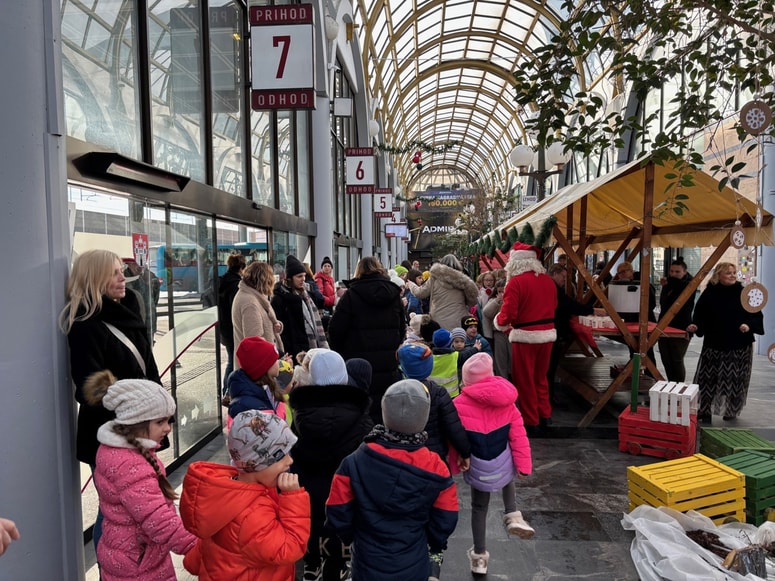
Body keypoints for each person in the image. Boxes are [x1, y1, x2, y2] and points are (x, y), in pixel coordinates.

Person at [59, 249, 161, 550]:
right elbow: (90, 389)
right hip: (110, 435)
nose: (123, 277)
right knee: (116, 511)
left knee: (138, 504)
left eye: (121, 270)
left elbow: (147, 364)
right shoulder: (85, 324)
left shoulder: (128, 310)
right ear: (96, 278)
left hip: (140, 428)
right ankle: (113, 567)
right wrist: (143, 401)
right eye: (115, 272)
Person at [325, 380, 459, 581]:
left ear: (385, 413)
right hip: (413, 561)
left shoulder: (353, 462)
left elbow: (337, 511)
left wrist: (351, 536)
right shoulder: (436, 467)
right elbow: (446, 517)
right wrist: (433, 541)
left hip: (366, 561)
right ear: (423, 417)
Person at [83, 370, 197, 579]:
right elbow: (158, 519)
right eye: (160, 422)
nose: (168, 428)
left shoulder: (120, 451)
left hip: (129, 553)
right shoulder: (130, 465)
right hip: (138, 562)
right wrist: (195, 547)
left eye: (169, 421)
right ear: (136, 422)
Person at [180, 410, 311, 580]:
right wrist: (293, 499)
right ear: (255, 464)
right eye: (280, 455)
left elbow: (215, 542)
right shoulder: (252, 515)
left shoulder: (229, 493)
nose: (289, 461)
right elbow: (288, 549)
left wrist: (196, 561)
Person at [288, 350, 373, 581]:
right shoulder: (361, 417)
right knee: (340, 538)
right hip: (345, 495)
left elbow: (293, 457)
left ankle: (312, 565)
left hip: (310, 498)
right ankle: (340, 567)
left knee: (314, 535)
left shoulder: (299, 416)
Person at [451, 353, 534, 575]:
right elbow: (518, 435)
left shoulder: (458, 404)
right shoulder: (507, 402)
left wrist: (451, 467)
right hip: (502, 462)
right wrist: (524, 465)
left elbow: (454, 438)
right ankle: (513, 514)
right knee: (508, 473)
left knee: (479, 508)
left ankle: (479, 558)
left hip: (478, 465)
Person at [328, 256, 405, 424]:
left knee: (361, 409)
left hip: (357, 361)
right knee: (384, 405)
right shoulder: (394, 294)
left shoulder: (351, 296)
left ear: (359, 271)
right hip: (387, 362)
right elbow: (401, 327)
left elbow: (335, 329)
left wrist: (341, 353)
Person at [687, 262, 764, 423]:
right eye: (728, 273)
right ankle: (704, 409)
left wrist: (748, 325)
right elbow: (700, 314)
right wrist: (696, 325)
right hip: (714, 341)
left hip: (738, 343)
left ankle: (731, 410)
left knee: (735, 379)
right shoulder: (710, 292)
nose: (733, 275)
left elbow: (756, 314)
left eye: (734, 272)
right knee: (707, 378)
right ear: (718, 275)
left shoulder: (743, 292)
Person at [494, 242, 558, 433]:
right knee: (541, 378)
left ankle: (531, 421)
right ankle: (545, 415)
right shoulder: (548, 281)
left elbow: (508, 314)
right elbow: (554, 306)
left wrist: (500, 323)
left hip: (525, 336)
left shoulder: (515, 282)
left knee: (525, 380)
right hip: (547, 335)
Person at [547, 263, 593, 396]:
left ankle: (549, 397)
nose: (564, 280)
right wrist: (590, 310)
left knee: (551, 366)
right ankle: (549, 398)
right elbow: (568, 305)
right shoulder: (553, 288)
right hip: (553, 331)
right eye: (562, 276)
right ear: (554, 274)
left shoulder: (554, 287)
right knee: (550, 367)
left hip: (552, 331)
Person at [272, 254, 328, 361]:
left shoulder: (308, 295)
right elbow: (280, 330)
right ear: (289, 278)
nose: (303, 279)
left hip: (311, 348)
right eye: (299, 276)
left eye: (304, 276)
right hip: (293, 352)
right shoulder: (279, 299)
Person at [231, 261, 284, 369]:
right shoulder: (250, 303)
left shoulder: (253, 296)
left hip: (259, 366)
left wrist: (276, 325)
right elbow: (254, 343)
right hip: (258, 369)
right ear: (265, 280)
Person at [405, 254, 479, 331]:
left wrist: (411, 285)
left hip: (438, 319)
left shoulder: (434, 278)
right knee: (458, 340)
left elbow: (420, 293)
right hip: (459, 319)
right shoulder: (464, 281)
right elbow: (473, 301)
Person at [227, 336, 285, 422]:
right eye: (275, 359)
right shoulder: (246, 408)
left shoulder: (268, 389)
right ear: (265, 367)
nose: (279, 362)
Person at [657, 257, 696, 382]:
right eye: (671, 271)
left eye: (677, 272)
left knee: (677, 358)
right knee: (666, 358)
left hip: (681, 326)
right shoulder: (668, 284)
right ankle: (671, 383)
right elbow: (664, 302)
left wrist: (667, 281)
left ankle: (678, 386)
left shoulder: (689, 285)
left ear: (684, 272)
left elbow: (680, 286)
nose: (673, 274)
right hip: (664, 325)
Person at [216, 253, 246, 391]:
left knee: (231, 359)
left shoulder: (223, 281)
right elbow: (236, 309)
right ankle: (227, 391)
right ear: (241, 267)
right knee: (232, 362)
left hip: (224, 328)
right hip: (232, 329)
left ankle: (226, 391)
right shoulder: (235, 285)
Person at [482, 278, 511, 379]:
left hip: (512, 333)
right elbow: (486, 312)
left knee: (513, 359)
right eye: (499, 291)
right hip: (498, 333)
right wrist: (497, 301)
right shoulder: (494, 300)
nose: (502, 294)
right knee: (500, 360)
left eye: (503, 291)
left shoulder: (513, 299)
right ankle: (502, 380)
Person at [429, 328, 461, 398]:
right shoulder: (455, 355)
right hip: (452, 395)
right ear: (450, 343)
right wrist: (475, 348)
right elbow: (466, 354)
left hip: (434, 395)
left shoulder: (429, 358)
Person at [315, 256, 337, 329]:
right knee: (326, 325)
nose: (327, 267)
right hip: (325, 307)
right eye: (325, 266)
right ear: (322, 268)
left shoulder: (331, 279)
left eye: (329, 266)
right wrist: (330, 300)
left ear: (331, 268)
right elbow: (319, 295)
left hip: (330, 306)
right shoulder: (320, 279)